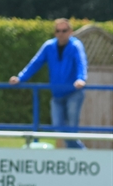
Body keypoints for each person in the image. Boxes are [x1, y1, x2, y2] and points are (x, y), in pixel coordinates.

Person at [10, 19, 88, 149]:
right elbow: (35, 63)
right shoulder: (49, 46)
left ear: (70, 32)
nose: (61, 33)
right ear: (54, 33)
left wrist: (81, 79)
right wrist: (20, 78)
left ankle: (83, 160)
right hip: (57, 95)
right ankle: (83, 158)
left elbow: (81, 63)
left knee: (71, 133)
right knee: (58, 130)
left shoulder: (76, 46)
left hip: (73, 93)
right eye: (58, 31)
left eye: (64, 31)